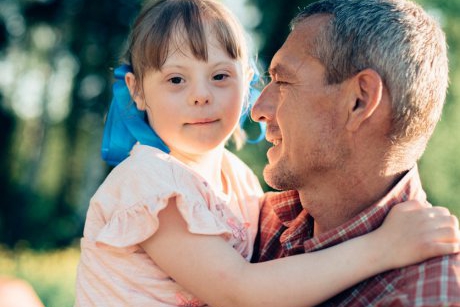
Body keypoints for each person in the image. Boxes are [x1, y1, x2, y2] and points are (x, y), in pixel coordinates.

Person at [75, 0, 460, 306]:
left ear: (359, 101)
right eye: (176, 79)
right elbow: (240, 292)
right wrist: (382, 247)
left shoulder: (241, 184)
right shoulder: (151, 184)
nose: (201, 95)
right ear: (137, 89)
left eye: (221, 76)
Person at [250, 0, 460, 306]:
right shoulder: (246, 223)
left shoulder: (431, 294)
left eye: (283, 82)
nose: (259, 110)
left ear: (359, 101)